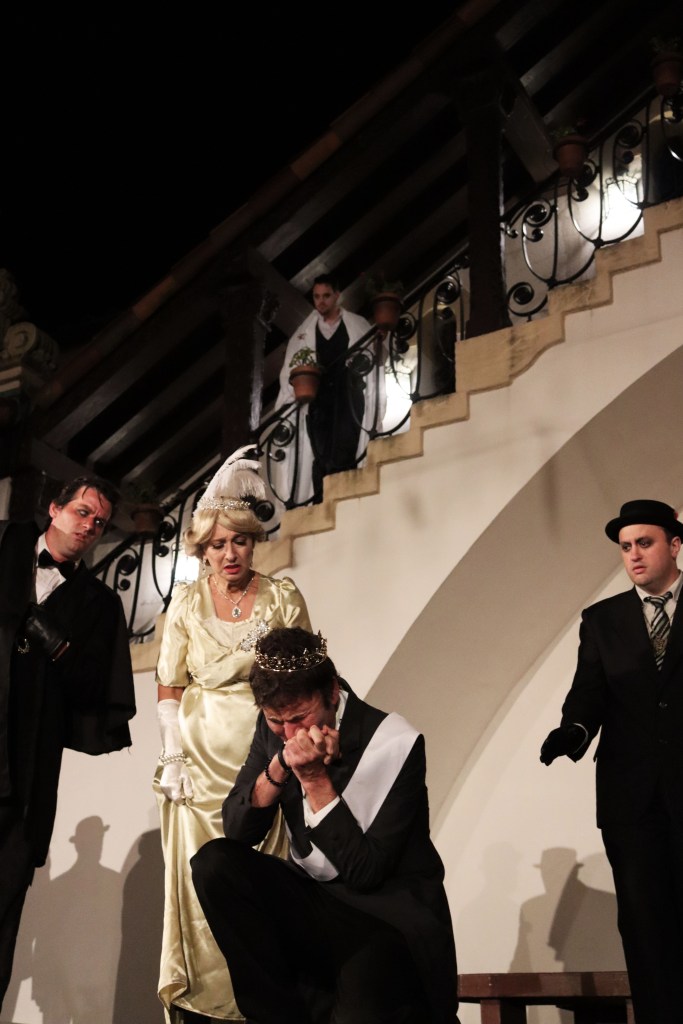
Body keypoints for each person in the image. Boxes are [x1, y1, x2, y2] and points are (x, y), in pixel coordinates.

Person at [191, 626, 459, 1024]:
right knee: (215, 864)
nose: (290, 733)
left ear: (332, 691)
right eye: (276, 720)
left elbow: (365, 873)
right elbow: (238, 831)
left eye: (300, 718)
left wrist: (315, 779)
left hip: (383, 916)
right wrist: (281, 766)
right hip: (316, 901)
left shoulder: (394, 743)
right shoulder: (275, 732)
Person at [154, 449, 311, 1023]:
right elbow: (169, 682)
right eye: (217, 544)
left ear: (252, 542)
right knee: (201, 887)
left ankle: (265, 1007)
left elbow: (307, 676)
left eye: (239, 542)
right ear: (202, 549)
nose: (229, 554)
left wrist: (294, 746)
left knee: (262, 886)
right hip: (196, 771)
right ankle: (205, 1010)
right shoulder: (186, 602)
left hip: (264, 760)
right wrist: (172, 754)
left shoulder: (282, 597)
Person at [540, 499, 683, 1024]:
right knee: (645, 927)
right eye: (625, 547)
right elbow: (589, 693)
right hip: (631, 798)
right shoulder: (603, 619)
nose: (634, 556)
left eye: (644, 543)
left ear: (675, 544)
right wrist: (573, 731)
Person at [0, 476, 136, 1010]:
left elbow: (98, 690)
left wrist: (61, 649)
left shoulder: (99, 604)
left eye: (99, 523)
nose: (89, 527)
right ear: (53, 509)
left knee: (2, 919)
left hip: (27, 780)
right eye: (82, 512)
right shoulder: (6, 547)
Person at [274, 275, 385, 505]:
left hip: (348, 396)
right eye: (316, 297)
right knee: (321, 450)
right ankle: (322, 501)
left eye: (326, 296)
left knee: (345, 445)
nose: (321, 302)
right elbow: (291, 369)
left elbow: (375, 356)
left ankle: (344, 498)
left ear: (337, 295)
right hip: (318, 400)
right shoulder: (304, 332)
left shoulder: (356, 324)